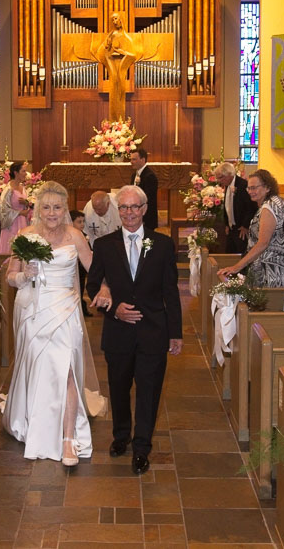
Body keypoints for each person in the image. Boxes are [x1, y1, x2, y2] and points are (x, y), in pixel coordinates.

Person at [2, 181, 107, 466]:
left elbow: (94, 268)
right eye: (46, 207)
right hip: (33, 310)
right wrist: (25, 276)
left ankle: (68, 439)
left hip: (66, 309)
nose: (51, 213)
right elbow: (11, 276)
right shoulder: (25, 236)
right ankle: (36, 422)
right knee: (40, 368)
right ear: (38, 209)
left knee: (68, 369)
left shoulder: (75, 235)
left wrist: (105, 288)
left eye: (57, 207)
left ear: (64, 209)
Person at [86, 185, 182, 475]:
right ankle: (120, 436)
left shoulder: (162, 245)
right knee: (118, 388)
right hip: (117, 331)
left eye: (134, 207)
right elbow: (92, 286)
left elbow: (171, 291)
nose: (129, 213)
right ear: (119, 210)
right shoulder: (104, 245)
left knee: (149, 391)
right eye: (124, 207)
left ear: (144, 209)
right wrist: (113, 308)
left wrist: (175, 333)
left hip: (153, 330)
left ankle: (142, 447)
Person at [217, 169, 284, 287]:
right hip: (280, 266)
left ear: (267, 187)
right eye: (249, 188)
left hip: (272, 269)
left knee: (270, 304)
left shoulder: (268, 207)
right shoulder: (276, 201)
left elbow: (263, 243)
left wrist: (236, 267)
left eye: (254, 188)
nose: (250, 191)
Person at [214, 162, 257, 254]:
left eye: (220, 177)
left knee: (241, 254)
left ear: (229, 174)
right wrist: (227, 224)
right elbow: (228, 205)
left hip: (242, 229)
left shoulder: (243, 185)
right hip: (232, 229)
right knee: (229, 254)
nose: (219, 180)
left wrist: (245, 226)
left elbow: (251, 207)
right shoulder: (228, 185)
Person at [0, 161, 32, 254]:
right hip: (13, 223)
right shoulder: (8, 189)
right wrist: (20, 213)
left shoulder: (22, 187)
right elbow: (4, 209)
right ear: (16, 173)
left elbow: (26, 203)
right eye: (23, 171)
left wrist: (26, 203)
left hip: (23, 222)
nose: (26, 174)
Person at [130, 149, 158, 230]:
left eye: (134, 159)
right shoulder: (134, 175)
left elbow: (147, 198)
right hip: (137, 214)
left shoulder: (150, 176)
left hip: (146, 217)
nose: (131, 162)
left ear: (143, 160)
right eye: (131, 159)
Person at [71, 209, 92, 317]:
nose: (82, 224)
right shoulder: (69, 236)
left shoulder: (84, 235)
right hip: (72, 268)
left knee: (81, 287)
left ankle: (82, 308)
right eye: (79, 222)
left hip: (82, 268)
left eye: (83, 221)